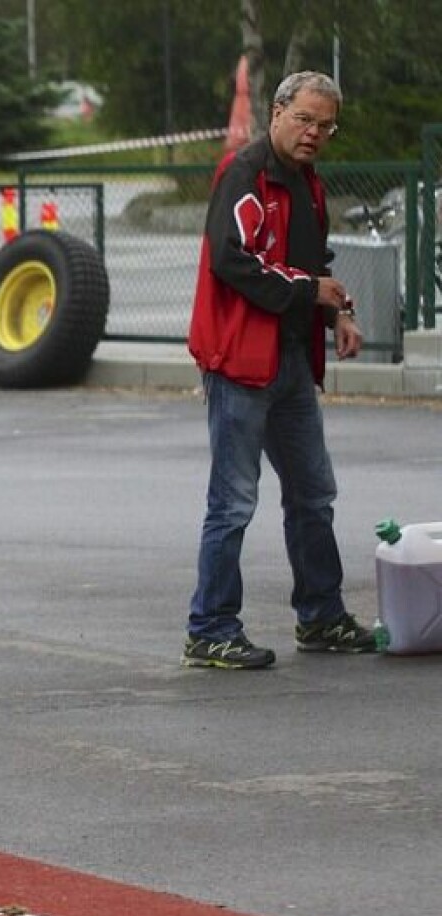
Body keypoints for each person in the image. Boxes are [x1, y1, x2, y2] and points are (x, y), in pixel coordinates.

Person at [183, 70, 377, 670]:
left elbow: (312, 263)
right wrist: (310, 292)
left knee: (314, 494)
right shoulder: (243, 174)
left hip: (290, 361)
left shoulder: (307, 185)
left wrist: (337, 314)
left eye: (326, 125)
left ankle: (320, 616)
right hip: (239, 361)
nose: (315, 133)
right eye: (305, 120)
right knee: (234, 502)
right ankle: (209, 629)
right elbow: (232, 262)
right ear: (277, 113)